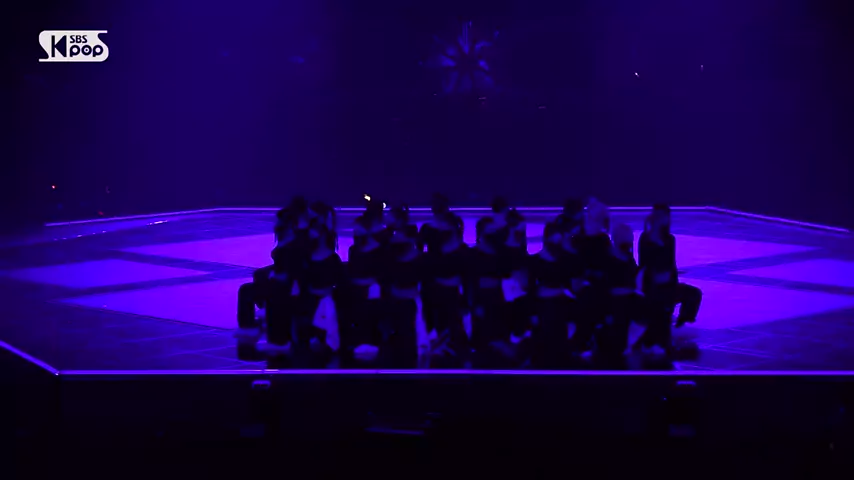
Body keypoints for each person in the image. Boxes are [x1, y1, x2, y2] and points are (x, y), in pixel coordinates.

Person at [639, 204, 703, 337]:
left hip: (668, 284)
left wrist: (671, 280)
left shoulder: (669, 239)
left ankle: (681, 322)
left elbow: (669, 264)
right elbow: (644, 264)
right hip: (651, 287)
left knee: (694, 294)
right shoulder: (645, 239)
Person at [291, 222, 343, 365]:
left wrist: (329, 291)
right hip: (309, 295)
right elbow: (302, 280)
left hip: (327, 296)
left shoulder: (333, 259)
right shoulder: (307, 258)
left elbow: (340, 281)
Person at [529, 221, 579, 368]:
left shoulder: (566, 261)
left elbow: (573, 289)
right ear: (546, 239)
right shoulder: (534, 262)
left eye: (560, 241)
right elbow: (534, 292)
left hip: (562, 314)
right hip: (543, 315)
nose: (557, 245)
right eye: (554, 241)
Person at [379, 226, 428, 368]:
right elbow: (385, 281)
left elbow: (426, 284)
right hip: (392, 303)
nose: (395, 239)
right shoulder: (389, 258)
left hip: (412, 304)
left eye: (399, 236)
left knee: (410, 340)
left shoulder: (421, 260)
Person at [570, 198, 613, 355]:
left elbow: (607, 268)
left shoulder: (603, 241)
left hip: (597, 287)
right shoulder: (578, 239)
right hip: (579, 284)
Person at [603, 223, 648, 360]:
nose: (630, 243)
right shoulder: (608, 260)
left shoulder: (628, 257)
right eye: (626, 239)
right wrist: (631, 290)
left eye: (630, 239)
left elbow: (634, 275)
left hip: (630, 296)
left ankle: (637, 340)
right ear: (616, 239)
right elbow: (609, 289)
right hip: (614, 300)